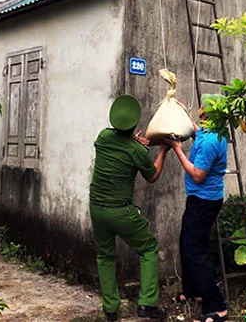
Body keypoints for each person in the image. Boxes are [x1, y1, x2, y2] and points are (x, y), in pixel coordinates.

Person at [89, 95, 169, 322]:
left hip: (96, 207)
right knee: (148, 249)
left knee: (105, 255)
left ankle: (111, 309)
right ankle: (147, 305)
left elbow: (118, 141)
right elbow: (152, 175)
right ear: (135, 124)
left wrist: (131, 140)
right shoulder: (138, 151)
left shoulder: (103, 137)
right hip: (120, 211)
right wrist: (162, 151)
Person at [165, 94, 229, 322]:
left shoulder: (213, 141)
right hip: (197, 198)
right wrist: (178, 107)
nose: (198, 110)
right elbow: (195, 130)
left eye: (201, 107)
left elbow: (198, 174)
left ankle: (217, 306)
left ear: (206, 112)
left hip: (204, 201)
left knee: (196, 251)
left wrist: (177, 149)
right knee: (187, 243)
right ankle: (193, 292)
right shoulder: (209, 130)